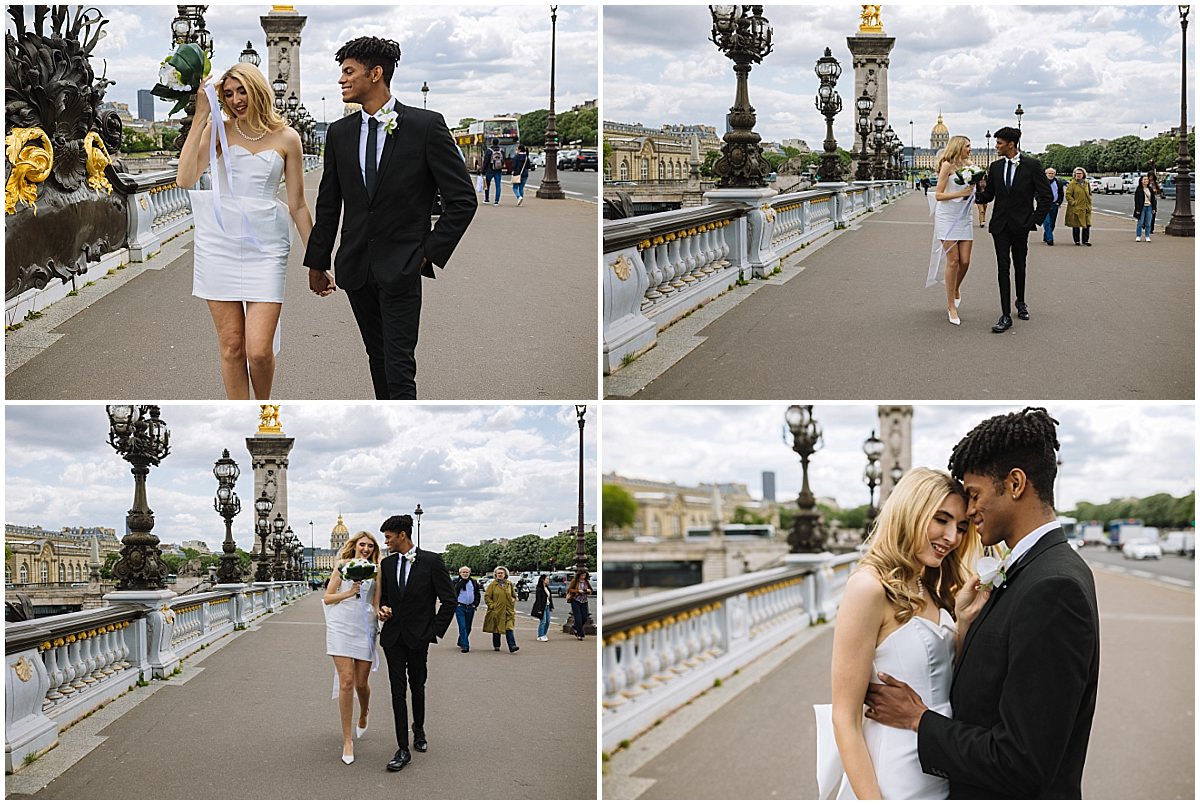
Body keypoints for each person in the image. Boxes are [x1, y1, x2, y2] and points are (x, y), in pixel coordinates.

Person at [865, 408, 1100, 798]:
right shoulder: (1035, 570)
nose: (969, 512)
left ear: (1015, 484)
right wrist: (963, 625)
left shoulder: (1053, 587)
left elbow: (1023, 761)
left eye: (974, 495)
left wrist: (920, 721)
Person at [304, 37, 478, 400]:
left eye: (349, 72)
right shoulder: (338, 134)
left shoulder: (426, 126)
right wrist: (317, 261)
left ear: (376, 73)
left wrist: (427, 252)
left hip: (403, 266)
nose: (341, 80)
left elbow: (463, 200)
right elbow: (329, 203)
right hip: (355, 269)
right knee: (377, 357)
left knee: (399, 366)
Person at [819, 468, 979, 799]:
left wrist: (962, 621)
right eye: (941, 519)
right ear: (910, 512)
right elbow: (844, 719)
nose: (951, 537)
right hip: (894, 777)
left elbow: (948, 681)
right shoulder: (868, 588)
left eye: (961, 527)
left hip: (941, 763)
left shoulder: (931, 585)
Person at [178, 63, 313, 400]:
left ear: (258, 89)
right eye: (228, 94)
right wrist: (200, 117)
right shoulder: (219, 131)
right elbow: (185, 179)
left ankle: (263, 407)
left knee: (258, 351)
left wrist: (317, 260)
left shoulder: (288, 138)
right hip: (219, 244)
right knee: (232, 348)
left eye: (242, 91)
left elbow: (297, 204)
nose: (236, 99)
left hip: (266, 247)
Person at [376, 514, 456, 772]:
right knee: (397, 691)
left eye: (388, 537)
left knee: (417, 685)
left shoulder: (432, 561)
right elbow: (385, 598)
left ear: (402, 535)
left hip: (419, 637)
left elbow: (449, 600)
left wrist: (433, 630)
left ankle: (418, 730)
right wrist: (383, 609)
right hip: (393, 638)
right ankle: (402, 748)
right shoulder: (386, 566)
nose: (385, 542)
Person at [972, 126, 1052, 333]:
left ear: (1011, 144)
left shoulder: (1033, 165)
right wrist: (969, 194)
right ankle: (1005, 315)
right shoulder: (995, 167)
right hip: (1000, 225)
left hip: (1021, 225)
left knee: (1020, 265)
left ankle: (1021, 301)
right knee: (1002, 268)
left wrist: (1034, 220)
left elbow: (1046, 197)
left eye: (999, 143)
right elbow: (988, 195)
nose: (996, 146)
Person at [322, 531, 382, 765]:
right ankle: (347, 739)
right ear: (354, 545)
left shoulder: (377, 570)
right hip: (341, 625)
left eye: (370, 546)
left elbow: (376, 603)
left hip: (364, 625)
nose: (366, 549)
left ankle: (364, 712)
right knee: (346, 681)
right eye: (362, 544)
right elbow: (327, 597)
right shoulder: (341, 565)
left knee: (360, 683)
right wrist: (349, 592)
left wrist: (382, 613)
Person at [926, 135, 976, 326]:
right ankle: (950, 306)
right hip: (947, 217)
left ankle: (955, 288)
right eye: (968, 146)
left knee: (965, 261)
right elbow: (938, 194)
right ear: (958, 147)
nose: (970, 149)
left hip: (964, 215)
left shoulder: (970, 165)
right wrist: (961, 193)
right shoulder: (947, 165)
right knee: (953, 260)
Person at [483, 566, 519, 653]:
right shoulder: (493, 585)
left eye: (501, 573)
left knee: (509, 628)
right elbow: (487, 596)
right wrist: (492, 606)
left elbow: (514, 595)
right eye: (498, 573)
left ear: (505, 574)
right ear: (495, 574)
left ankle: (512, 646)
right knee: (496, 629)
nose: (500, 575)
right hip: (497, 611)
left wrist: (513, 600)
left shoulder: (509, 584)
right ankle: (496, 645)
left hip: (508, 611)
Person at [452, 566, 481, 653]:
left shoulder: (473, 582)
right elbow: (451, 593)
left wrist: (475, 604)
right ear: (460, 573)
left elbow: (477, 594)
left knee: (468, 627)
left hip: (470, 607)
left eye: (467, 572)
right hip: (460, 607)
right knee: (462, 626)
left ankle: (461, 641)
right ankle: (465, 645)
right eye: (463, 572)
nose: (465, 574)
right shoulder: (456, 582)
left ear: (469, 573)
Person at [1064, 167, 1093, 247]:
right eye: (1077, 174)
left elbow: (1089, 193)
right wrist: (1073, 202)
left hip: (1086, 207)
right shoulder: (1072, 184)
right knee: (1076, 225)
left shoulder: (1087, 183)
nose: (1078, 175)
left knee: (1087, 224)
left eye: (1080, 174)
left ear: (1083, 174)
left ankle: (1085, 240)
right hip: (1076, 207)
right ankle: (1077, 240)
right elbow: (1068, 195)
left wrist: (1089, 202)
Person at [566, 569, 593, 640]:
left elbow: (591, 589)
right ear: (579, 575)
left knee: (584, 617)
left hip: (584, 601)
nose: (583, 577)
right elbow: (569, 589)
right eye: (582, 575)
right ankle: (580, 634)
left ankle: (575, 627)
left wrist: (588, 591)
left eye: (584, 575)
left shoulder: (586, 581)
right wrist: (578, 591)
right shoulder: (575, 581)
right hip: (576, 601)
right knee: (578, 618)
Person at [1041, 167, 1066, 246]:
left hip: (1054, 204)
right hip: (1044, 205)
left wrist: (1059, 202)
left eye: (1052, 173)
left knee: (1052, 222)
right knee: (1047, 221)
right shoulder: (1042, 183)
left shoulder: (1058, 183)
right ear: (1046, 174)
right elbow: (1037, 193)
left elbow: (1061, 193)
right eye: (1049, 173)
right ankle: (1050, 238)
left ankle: (1046, 235)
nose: (1051, 175)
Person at [1134, 174, 1157, 242]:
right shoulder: (1139, 189)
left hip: (1149, 207)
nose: (1146, 181)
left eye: (1147, 179)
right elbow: (1136, 200)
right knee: (1140, 222)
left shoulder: (1150, 189)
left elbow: (1153, 199)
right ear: (1141, 181)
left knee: (1148, 223)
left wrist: (1154, 208)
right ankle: (1138, 236)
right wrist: (1137, 209)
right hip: (1142, 207)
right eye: (1144, 179)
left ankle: (1147, 236)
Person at [530, 574, 554, 641]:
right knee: (543, 621)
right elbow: (539, 600)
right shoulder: (539, 589)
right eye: (547, 579)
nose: (548, 580)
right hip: (542, 607)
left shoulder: (547, 588)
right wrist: (539, 609)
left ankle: (544, 634)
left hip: (547, 606)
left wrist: (551, 606)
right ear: (543, 580)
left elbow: (550, 598)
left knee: (548, 621)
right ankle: (540, 635)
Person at [483, 137, 505, 205]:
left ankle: (487, 199)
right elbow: (503, 160)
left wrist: (483, 169)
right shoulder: (501, 151)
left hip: (489, 170)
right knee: (498, 185)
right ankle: (496, 201)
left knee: (487, 185)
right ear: (498, 143)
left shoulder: (489, 151)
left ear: (492, 142)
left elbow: (486, 161)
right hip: (498, 170)